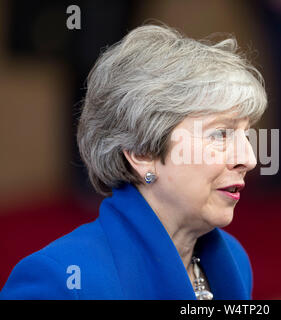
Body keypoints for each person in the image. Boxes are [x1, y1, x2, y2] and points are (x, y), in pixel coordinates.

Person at [0, 24, 267, 300]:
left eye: (245, 136)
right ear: (143, 154)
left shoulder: (233, 260)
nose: (248, 159)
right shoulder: (59, 282)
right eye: (221, 134)